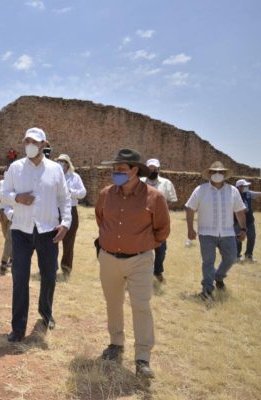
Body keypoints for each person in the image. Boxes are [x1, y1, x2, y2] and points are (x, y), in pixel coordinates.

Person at [95, 148, 170, 379]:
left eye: (120, 169)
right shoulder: (106, 194)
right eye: (114, 169)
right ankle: (116, 343)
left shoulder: (154, 197)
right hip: (109, 259)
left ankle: (142, 357)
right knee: (113, 303)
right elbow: (101, 219)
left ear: (135, 170)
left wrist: (141, 245)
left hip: (140, 260)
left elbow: (162, 230)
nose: (115, 172)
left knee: (141, 306)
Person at [0, 127, 72, 342]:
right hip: (21, 231)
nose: (30, 145)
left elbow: (64, 198)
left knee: (49, 276)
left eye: (34, 141)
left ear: (44, 144)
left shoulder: (55, 169)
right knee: (19, 278)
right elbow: (3, 194)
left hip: (48, 231)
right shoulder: (15, 168)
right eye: (27, 141)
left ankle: (46, 314)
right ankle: (18, 328)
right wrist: (17, 198)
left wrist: (65, 223)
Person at [185, 161, 247, 299]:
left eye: (220, 172)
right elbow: (190, 208)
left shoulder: (233, 191)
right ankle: (207, 290)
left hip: (227, 232)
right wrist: (190, 228)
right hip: (206, 233)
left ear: (225, 174)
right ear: (209, 174)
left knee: (231, 258)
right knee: (208, 262)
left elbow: (239, 211)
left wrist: (243, 229)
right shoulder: (200, 190)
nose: (217, 174)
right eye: (214, 172)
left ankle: (218, 276)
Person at [141, 158, 178, 283]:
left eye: (155, 169)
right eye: (150, 169)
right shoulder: (139, 182)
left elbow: (172, 200)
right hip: (142, 222)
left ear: (159, 170)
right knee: (141, 249)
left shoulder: (166, 183)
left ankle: (157, 271)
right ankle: (141, 273)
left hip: (160, 222)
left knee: (161, 250)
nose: (152, 171)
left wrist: (162, 210)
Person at [55, 154, 86, 280]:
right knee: (52, 239)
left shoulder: (75, 177)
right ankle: (51, 267)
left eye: (63, 162)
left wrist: (71, 192)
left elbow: (83, 193)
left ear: (68, 164)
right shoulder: (53, 176)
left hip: (70, 210)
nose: (61, 164)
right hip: (55, 210)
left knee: (69, 241)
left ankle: (66, 268)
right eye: (59, 161)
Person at [0, 168, 13, 273]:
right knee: (7, 237)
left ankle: (4, 261)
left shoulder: (18, 183)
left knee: (9, 237)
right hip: (3, 214)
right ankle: (12, 258)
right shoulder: (1, 183)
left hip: (14, 214)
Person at [234, 179, 260, 263]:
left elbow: (258, 194)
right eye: (245, 186)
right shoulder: (234, 195)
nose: (247, 187)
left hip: (249, 221)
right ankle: (236, 256)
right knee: (238, 238)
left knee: (252, 237)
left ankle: (249, 255)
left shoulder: (248, 193)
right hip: (238, 221)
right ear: (239, 187)